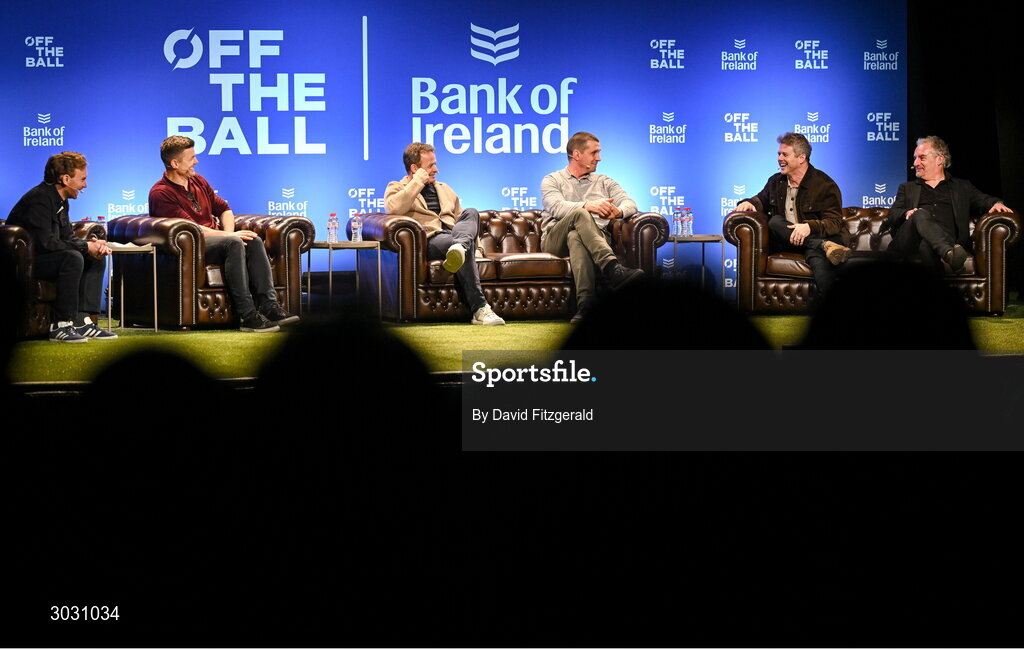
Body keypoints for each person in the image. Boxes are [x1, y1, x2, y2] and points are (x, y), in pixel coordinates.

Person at [148, 136, 298, 333]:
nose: (196, 161)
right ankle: (247, 316)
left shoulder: (198, 181)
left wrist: (228, 233)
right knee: (234, 243)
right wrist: (229, 238)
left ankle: (269, 306)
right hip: (193, 248)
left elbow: (224, 209)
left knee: (252, 239)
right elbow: (190, 228)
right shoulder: (161, 193)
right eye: (191, 157)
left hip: (218, 240)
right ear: (175, 163)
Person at [384, 142, 505, 325]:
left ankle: (460, 246)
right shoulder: (397, 187)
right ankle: (480, 308)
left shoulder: (445, 188)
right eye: (431, 165)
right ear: (415, 168)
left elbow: (463, 220)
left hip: (454, 236)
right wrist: (418, 182)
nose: (437, 169)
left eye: (435, 164)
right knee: (463, 242)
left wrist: (478, 247)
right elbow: (393, 208)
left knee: (471, 212)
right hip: (431, 239)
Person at [7, 152, 117, 342]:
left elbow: (67, 237)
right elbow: (45, 243)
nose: (85, 185)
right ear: (66, 179)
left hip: (45, 257)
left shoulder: (61, 200)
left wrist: (90, 246)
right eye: (82, 179)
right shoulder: (39, 199)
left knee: (94, 257)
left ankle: (83, 321)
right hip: (25, 264)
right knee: (72, 258)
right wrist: (84, 248)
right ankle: (60, 325)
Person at [540, 131, 644, 323]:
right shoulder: (552, 180)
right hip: (555, 241)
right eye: (594, 153)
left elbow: (630, 203)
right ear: (577, 154)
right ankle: (613, 269)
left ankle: (585, 307)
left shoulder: (604, 181)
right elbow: (556, 206)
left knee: (576, 237)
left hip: (593, 238)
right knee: (580, 214)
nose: (599, 158)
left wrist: (618, 212)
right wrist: (587, 205)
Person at [736, 132, 850, 296]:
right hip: (788, 240)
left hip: (822, 236)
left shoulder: (824, 185)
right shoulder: (776, 181)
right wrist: (749, 203)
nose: (779, 158)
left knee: (818, 258)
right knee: (775, 221)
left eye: (785, 154)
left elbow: (835, 222)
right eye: (778, 154)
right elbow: (760, 200)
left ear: (801, 157)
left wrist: (809, 227)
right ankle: (821, 246)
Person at [887, 135, 1012, 273]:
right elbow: (892, 214)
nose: (915, 163)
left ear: (939, 159)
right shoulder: (907, 188)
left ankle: (936, 289)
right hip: (909, 241)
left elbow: (982, 200)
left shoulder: (962, 187)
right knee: (920, 214)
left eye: (921, 158)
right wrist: (906, 213)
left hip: (947, 239)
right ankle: (949, 254)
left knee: (926, 245)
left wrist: (996, 203)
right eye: (915, 158)